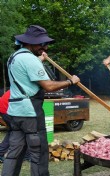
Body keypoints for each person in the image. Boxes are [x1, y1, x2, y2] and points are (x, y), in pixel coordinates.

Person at [2, 25, 80, 176]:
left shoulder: (14, 57)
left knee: (14, 153)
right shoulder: (30, 59)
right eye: (41, 43)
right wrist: (71, 81)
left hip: (15, 112)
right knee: (39, 153)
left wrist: (39, 59)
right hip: (30, 112)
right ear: (30, 42)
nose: (45, 47)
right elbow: (49, 86)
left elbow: (26, 69)